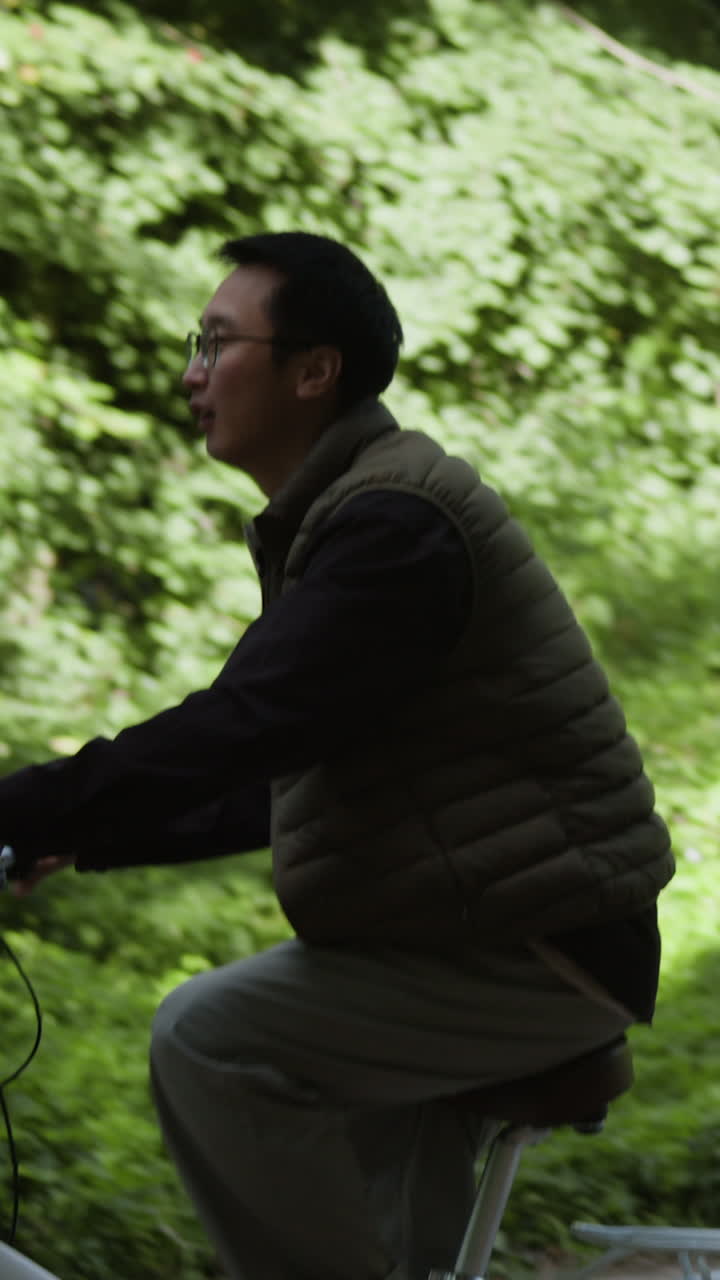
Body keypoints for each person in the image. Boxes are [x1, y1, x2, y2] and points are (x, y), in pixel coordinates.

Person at [1, 231, 673, 1280]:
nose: (192, 370)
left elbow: (247, 724)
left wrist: (24, 806)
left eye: (218, 341)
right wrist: (73, 838)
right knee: (410, 1248)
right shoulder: (354, 510)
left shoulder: (393, 525)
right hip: (464, 935)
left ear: (315, 370)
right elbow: (288, 774)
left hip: (529, 950)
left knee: (206, 1035)